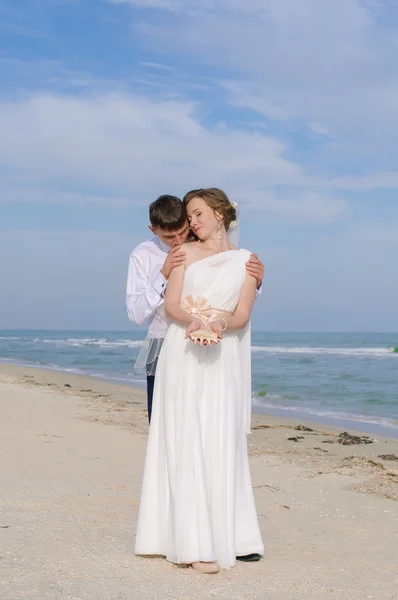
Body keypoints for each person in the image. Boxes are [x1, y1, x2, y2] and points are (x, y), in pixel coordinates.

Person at [134, 188, 264, 574]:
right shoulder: (182, 255)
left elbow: (242, 312)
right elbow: (171, 305)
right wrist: (196, 323)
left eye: (197, 213)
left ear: (220, 215)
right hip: (183, 350)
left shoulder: (247, 261)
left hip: (223, 355)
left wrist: (219, 324)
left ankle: (235, 535)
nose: (191, 222)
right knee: (186, 434)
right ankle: (192, 542)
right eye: (189, 215)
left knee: (221, 436)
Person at [126, 194, 264, 422]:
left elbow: (225, 280)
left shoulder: (200, 242)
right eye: (170, 237)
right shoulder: (142, 255)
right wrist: (163, 274)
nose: (179, 240)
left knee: (207, 419)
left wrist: (256, 281)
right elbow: (135, 314)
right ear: (153, 230)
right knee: (163, 421)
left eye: (183, 231)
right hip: (162, 341)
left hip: (209, 340)